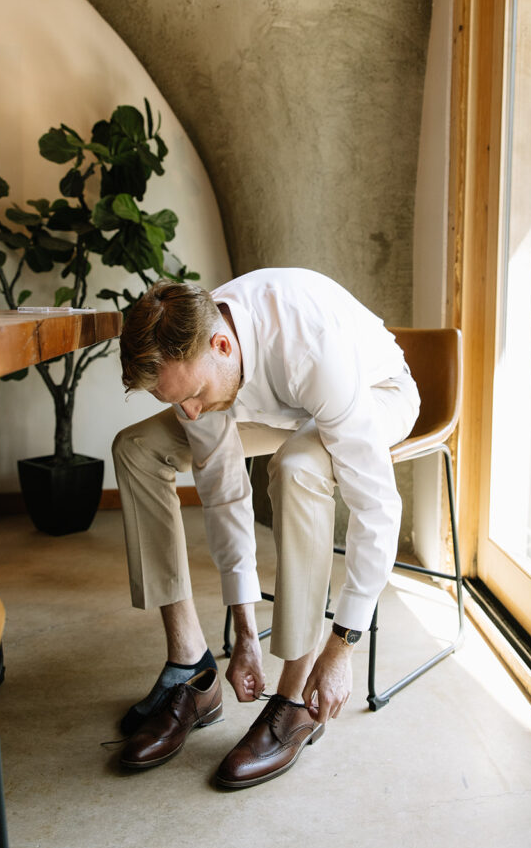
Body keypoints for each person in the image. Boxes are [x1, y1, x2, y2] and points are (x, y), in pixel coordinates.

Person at [112, 267, 420, 787]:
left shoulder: (310, 344)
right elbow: (225, 491)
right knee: (138, 448)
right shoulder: (201, 369)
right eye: (175, 401)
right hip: (280, 407)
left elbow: (378, 507)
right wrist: (245, 630)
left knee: (299, 467)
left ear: (221, 345)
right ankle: (192, 668)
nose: (187, 411)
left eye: (193, 395)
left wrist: (342, 646)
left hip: (377, 391)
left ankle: (295, 699)